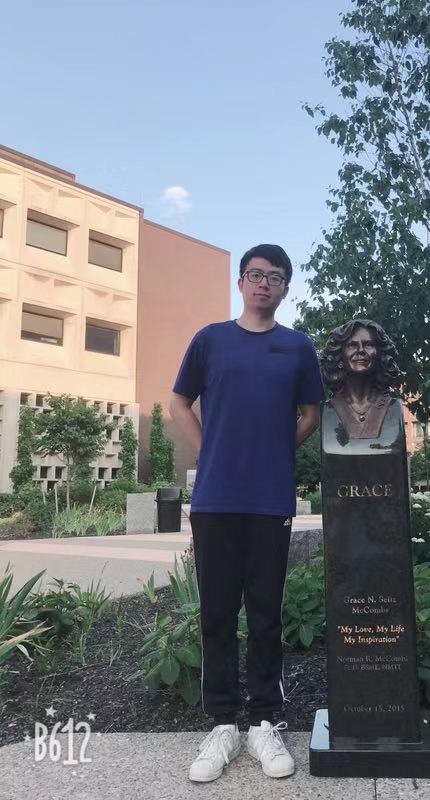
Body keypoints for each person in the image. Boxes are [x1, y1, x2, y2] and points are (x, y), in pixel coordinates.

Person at [169, 243, 323, 783]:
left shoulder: (297, 347)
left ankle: (263, 721)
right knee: (215, 612)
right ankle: (222, 725)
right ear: (240, 282)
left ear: (285, 289)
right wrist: (208, 448)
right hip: (215, 499)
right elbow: (178, 403)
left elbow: (311, 413)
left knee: (265, 613)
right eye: (256, 274)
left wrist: (279, 450)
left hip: (269, 500)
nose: (264, 283)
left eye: (274, 277)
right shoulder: (210, 340)